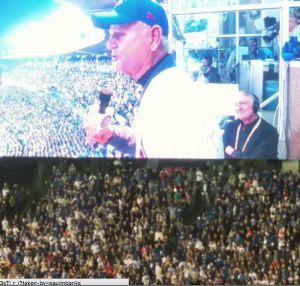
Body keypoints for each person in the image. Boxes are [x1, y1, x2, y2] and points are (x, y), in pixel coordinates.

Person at [87, 0, 223, 159]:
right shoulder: (162, 88)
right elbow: (151, 143)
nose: (109, 44)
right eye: (110, 36)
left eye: (119, 34)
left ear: (153, 37)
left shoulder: (176, 102)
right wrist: (111, 135)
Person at [222, 91, 278, 159]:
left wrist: (232, 152)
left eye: (242, 103)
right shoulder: (231, 126)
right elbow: (222, 148)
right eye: (236, 105)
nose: (238, 108)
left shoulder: (269, 132)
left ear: (255, 106)